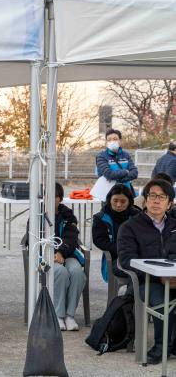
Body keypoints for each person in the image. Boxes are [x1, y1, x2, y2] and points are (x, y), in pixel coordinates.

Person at [118, 178, 176, 365]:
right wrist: (159, 277)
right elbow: (127, 261)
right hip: (145, 281)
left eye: (162, 197)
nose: (156, 200)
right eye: (152, 196)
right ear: (145, 200)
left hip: (174, 278)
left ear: (169, 203)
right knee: (162, 299)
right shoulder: (130, 227)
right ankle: (161, 347)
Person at [52, 182, 87, 332]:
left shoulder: (68, 215)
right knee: (60, 272)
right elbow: (33, 238)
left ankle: (69, 315)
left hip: (67, 253)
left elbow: (72, 237)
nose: (48, 199)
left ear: (59, 199)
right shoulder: (36, 215)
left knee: (77, 272)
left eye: (53, 196)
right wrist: (52, 254)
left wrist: (61, 252)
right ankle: (58, 315)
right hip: (45, 255)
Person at [92, 184, 139, 282]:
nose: (118, 205)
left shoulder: (138, 216)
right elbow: (100, 241)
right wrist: (123, 250)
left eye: (123, 201)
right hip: (115, 258)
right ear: (109, 200)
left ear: (129, 201)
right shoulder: (100, 218)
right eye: (115, 200)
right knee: (138, 272)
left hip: (137, 256)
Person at [95, 128, 138, 194]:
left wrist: (120, 180)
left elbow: (134, 173)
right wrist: (125, 172)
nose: (112, 141)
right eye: (109, 140)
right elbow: (109, 174)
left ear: (120, 141)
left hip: (126, 192)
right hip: (108, 193)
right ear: (106, 142)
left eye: (115, 139)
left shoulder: (126, 155)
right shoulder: (101, 156)